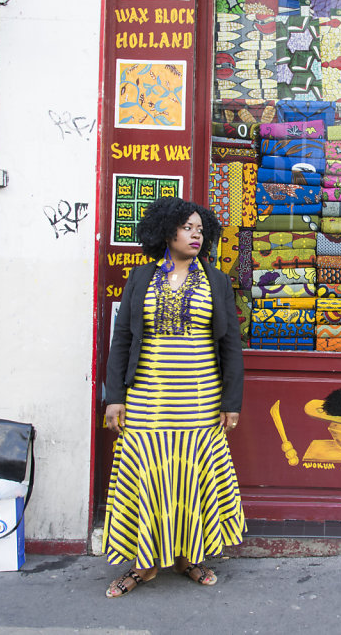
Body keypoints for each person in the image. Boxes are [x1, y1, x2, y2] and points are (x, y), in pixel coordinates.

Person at [102, 197, 245, 598]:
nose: (196, 234)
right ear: (168, 232)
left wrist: (231, 403)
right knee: (148, 477)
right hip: (148, 398)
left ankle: (190, 558)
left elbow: (231, 345)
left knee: (193, 478)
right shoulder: (141, 278)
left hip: (200, 400)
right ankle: (143, 564)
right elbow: (122, 339)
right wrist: (116, 397)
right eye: (188, 227)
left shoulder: (216, 280)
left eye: (201, 229)